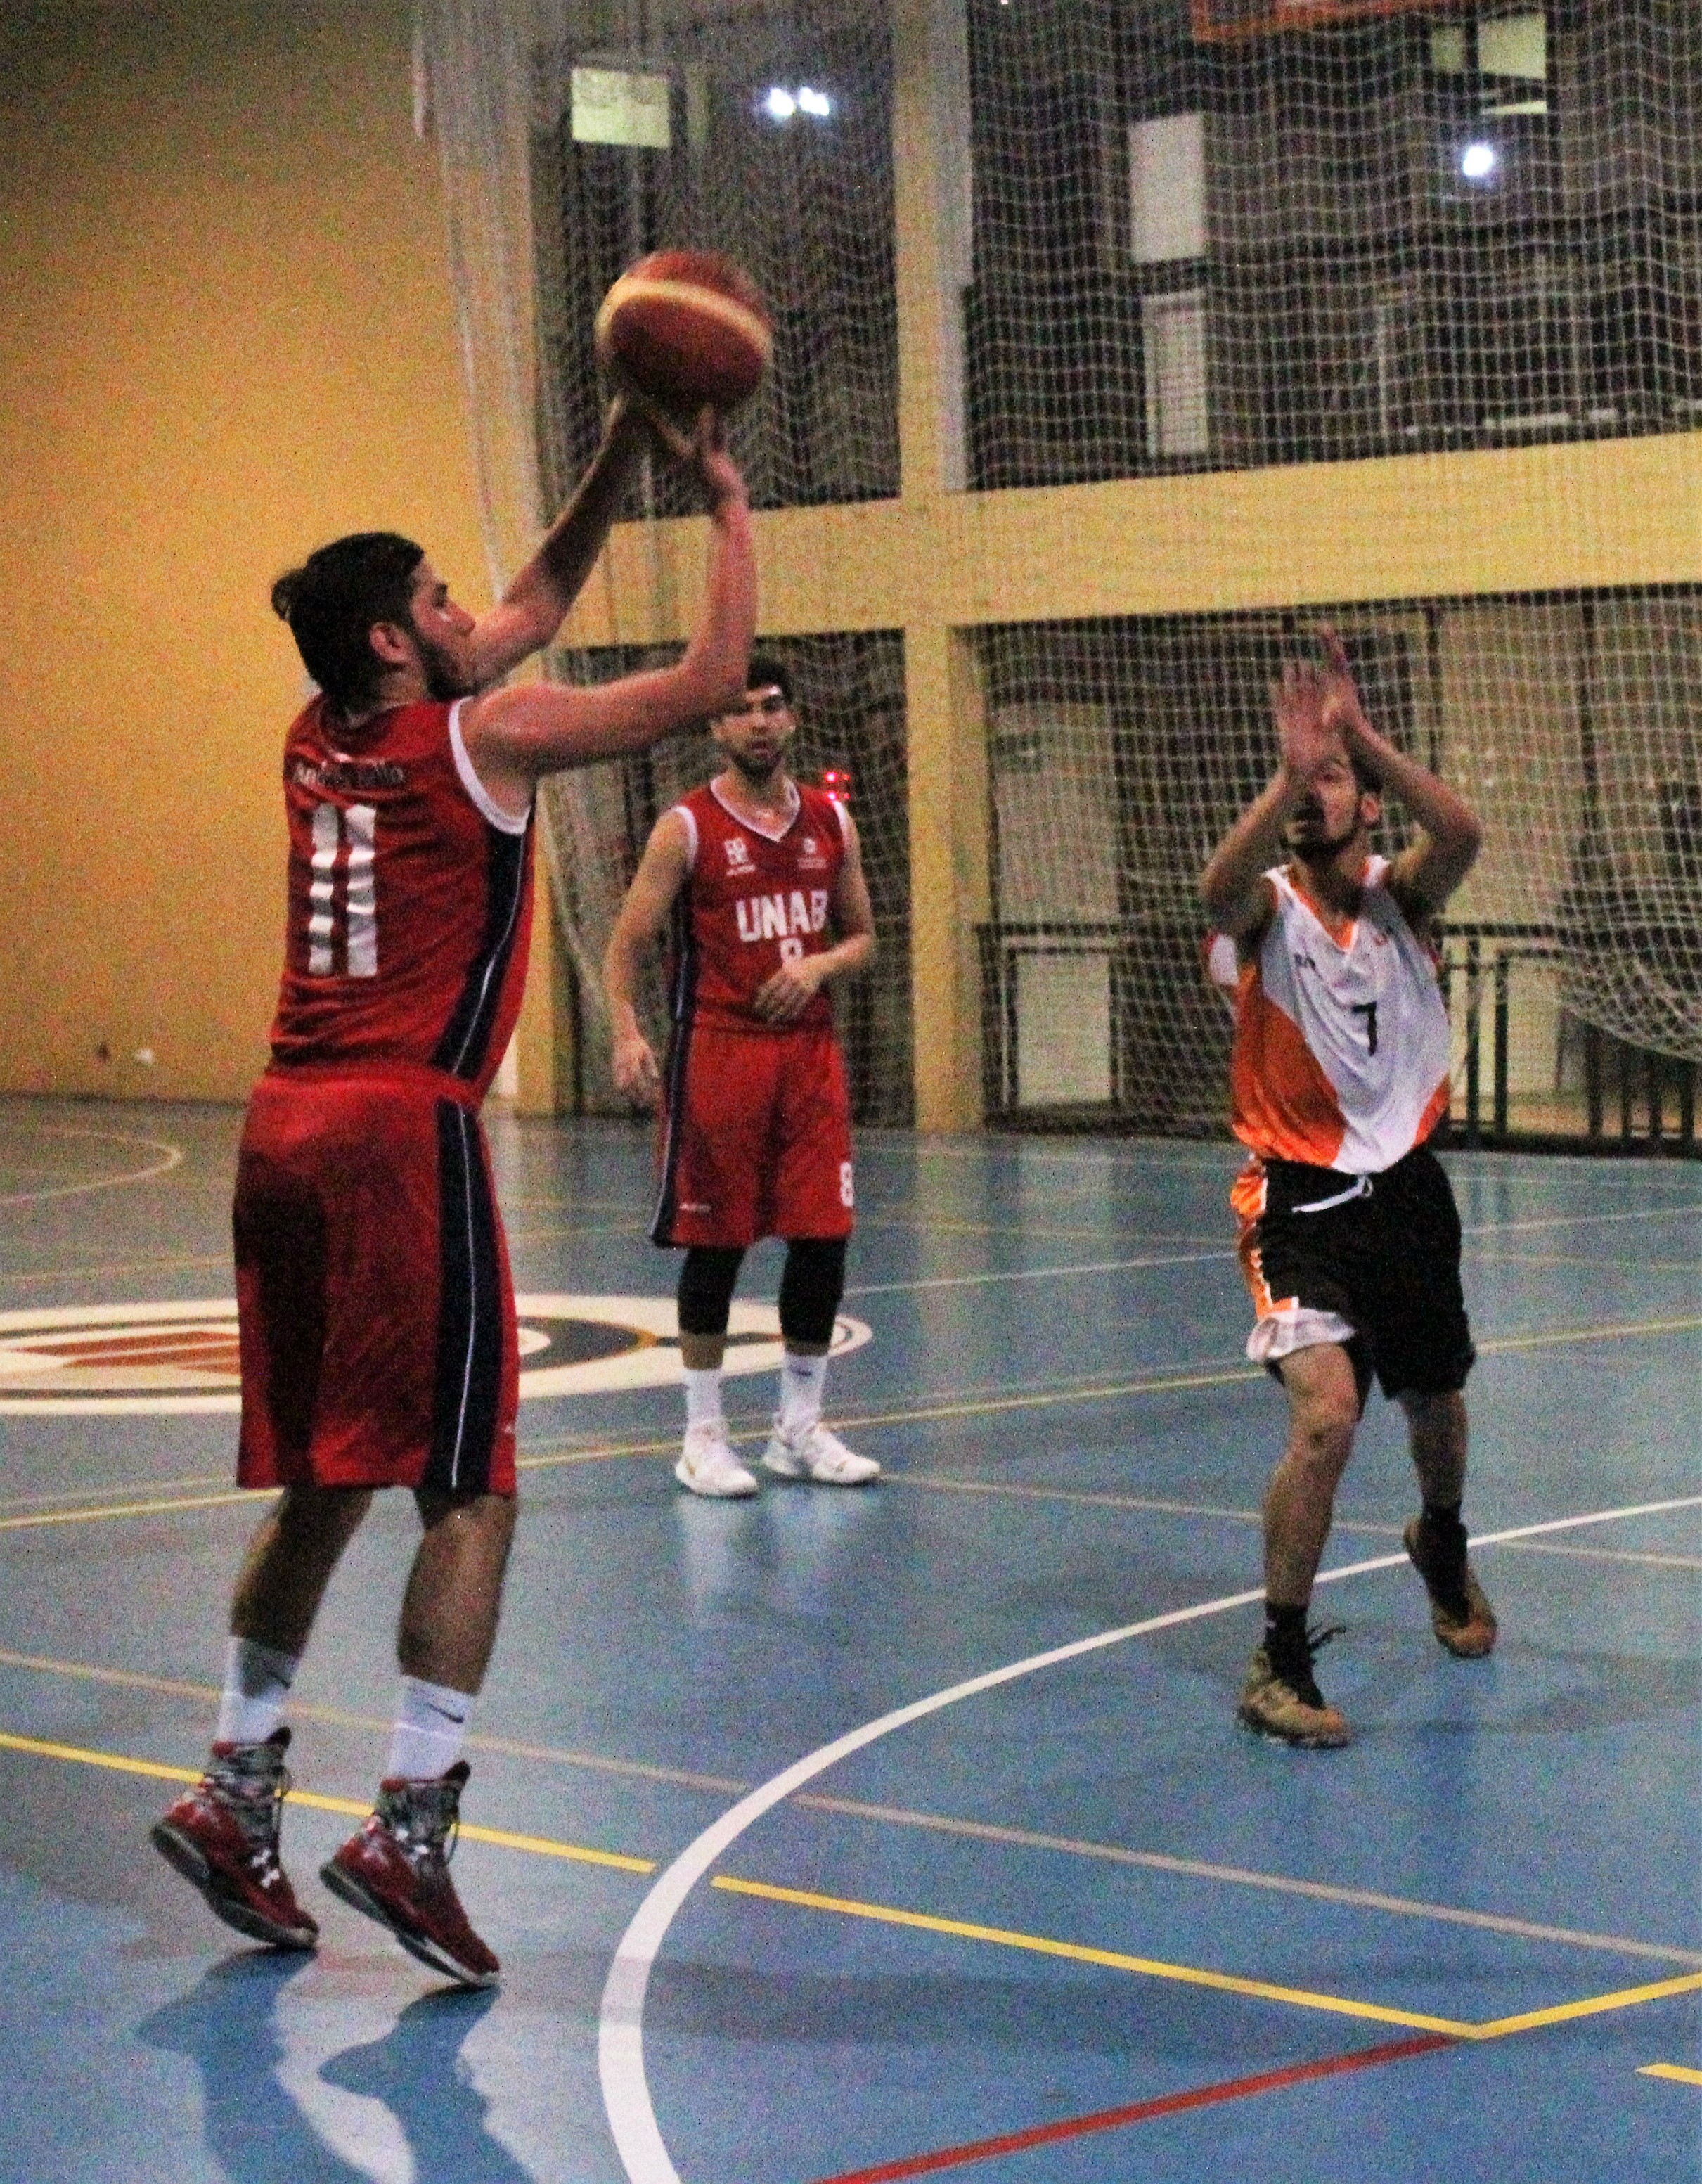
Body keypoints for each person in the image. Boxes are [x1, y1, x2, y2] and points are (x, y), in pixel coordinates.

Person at [150, 401, 756, 1984]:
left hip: (280, 1128)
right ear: (391, 639)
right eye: (434, 599)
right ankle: (409, 1824)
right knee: (472, 1485)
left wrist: (617, 442)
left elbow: (530, 603)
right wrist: (724, 504)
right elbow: (704, 683)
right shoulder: (487, 741)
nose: (464, 613)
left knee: (326, 1477)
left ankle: (234, 1783)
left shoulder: (315, 732)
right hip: (396, 1137)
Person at [1199, 629, 1497, 1749]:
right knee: (1327, 1415)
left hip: (1407, 1192)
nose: (1312, 795)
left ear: (1369, 802)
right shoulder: (1266, 910)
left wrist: (1361, 737)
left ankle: (1441, 1538)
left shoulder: (1401, 897)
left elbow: (1461, 832)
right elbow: (1215, 891)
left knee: (1435, 1401)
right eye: (1300, 781)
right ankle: (1277, 1658)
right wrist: (1289, 775)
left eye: (1333, 781)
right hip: (1300, 1201)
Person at [603, 654, 881, 1498]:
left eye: (772, 707)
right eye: (743, 710)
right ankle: (702, 1437)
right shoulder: (687, 827)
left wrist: (820, 964)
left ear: (792, 719)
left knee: (823, 1236)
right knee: (717, 1245)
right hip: (719, 1054)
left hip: (808, 1056)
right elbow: (626, 943)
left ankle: (798, 1428)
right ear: (716, 727)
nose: (759, 722)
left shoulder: (831, 821)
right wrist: (626, 1030)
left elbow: (864, 938)